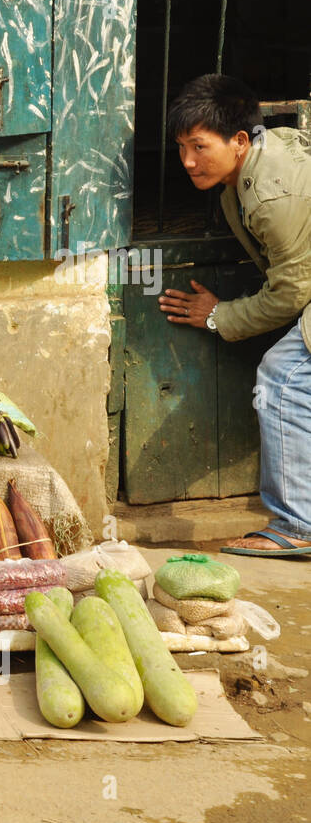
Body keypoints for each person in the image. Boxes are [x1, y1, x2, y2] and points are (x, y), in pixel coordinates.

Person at [158, 75, 311, 556]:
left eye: (199, 147)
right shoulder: (259, 159)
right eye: (182, 147)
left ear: (240, 140)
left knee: (285, 377)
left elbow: (293, 291)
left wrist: (219, 316)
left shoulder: (270, 197)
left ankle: (296, 527)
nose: (187, 161)